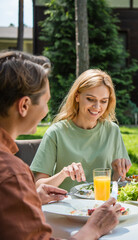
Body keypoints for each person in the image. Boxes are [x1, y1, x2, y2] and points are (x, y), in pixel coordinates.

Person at [0, 50, 121, 239]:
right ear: (24, 106)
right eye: (46, 101)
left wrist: (34, 197)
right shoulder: (11, 173)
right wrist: (94, 229)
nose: (47, 110)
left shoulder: (111, 130)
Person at [30, 69, 131, 191]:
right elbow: (38, 186)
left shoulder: (112, 131)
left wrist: (118, 174)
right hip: (66, 207)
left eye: (103, 101)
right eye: (90, 99)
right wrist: (63, 174)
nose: (97, 107)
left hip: (103, 204)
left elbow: (117, 184)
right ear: (77, 96)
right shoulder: (56, 132)